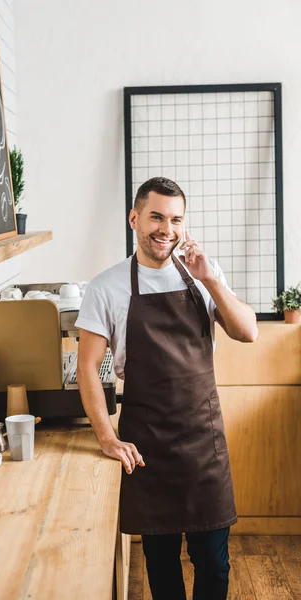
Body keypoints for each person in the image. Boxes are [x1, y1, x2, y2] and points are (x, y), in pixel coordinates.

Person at [74, 177, 258, 600]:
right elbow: (87, 368)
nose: (166, 229)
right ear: (134, 218)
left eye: (176, 219)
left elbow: (248, 332)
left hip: (202, 442)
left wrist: (210, 279)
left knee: (214, 562)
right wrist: (106, 435)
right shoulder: (108, 286)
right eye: (156, 216)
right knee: (160, 563)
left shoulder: (203, 277)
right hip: (146, 445)